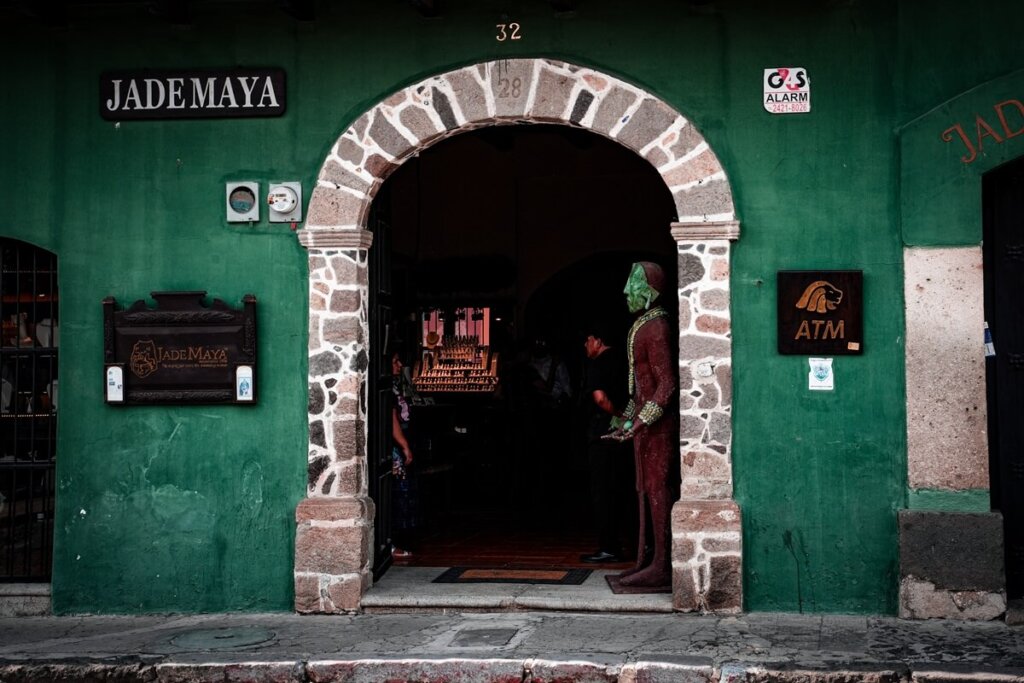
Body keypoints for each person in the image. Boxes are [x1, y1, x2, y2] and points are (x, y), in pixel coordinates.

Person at [605, 261, 678, 589]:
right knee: (645, 490)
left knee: (657, 490)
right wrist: (625, 419)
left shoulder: (657, 327)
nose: (625, 292)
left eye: (632, 286)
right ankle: (647, 561)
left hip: (657, 428)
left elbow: (666, 384)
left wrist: (642, 421)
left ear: (649, 292)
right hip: (645, 426)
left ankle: (662, 564)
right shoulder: (642, 326)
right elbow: (640, 387)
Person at [579, 322, 635, 563]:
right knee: (623, 489)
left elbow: (600, 399)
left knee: (602, 492)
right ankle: (634, 545)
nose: (585, 346)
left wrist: (616, 415)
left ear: (597, 341)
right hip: (624, 435)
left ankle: (609, 547)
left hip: (603, 433)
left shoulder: (597, 364)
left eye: (587, 340)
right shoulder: (624, 362)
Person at [390, 351, 420, 560]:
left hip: (396, 446)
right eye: (395, 362)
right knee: (397, 494)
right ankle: (393, 543)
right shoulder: (387, 390)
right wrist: (404, 445)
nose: (399, 365)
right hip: (393, 449)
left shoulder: (394, 386)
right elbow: (391, 420)